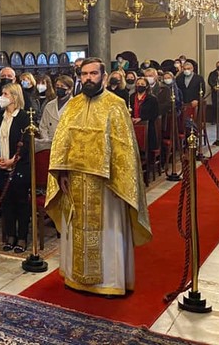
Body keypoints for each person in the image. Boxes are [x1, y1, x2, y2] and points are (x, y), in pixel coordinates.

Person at [45, 57, 152, 296]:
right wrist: (61, 172)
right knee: (76, 229)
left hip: (107, 183)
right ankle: (75, 277)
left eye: (93, 74)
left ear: (103, 77)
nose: (88, 78)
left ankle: (109, 283)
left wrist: (117, 178)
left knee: (108, 230)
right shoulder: (73, 105)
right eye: (84, 74)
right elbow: (62, 142)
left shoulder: (116, 105)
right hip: (75, 181)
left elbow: (125, 149)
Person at [0, 83, 31, 253]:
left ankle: (22, 237)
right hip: (1, 166)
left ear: (14, 97)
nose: (2, 97)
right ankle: (10, 235)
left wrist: (13, 160)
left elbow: (26, 143)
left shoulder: (23, 117)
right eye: (2, 93)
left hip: (19, 167)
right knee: (6, 203)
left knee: (21, 202)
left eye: (6, 94)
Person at [35, 74, 73, 152]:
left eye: (62, 86)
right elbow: (43, 126)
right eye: (57, 86)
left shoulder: (75, 105)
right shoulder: (49, 105)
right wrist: (47, 141)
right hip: (50, 145)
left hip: (69, 145)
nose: (59, 88)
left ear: (69, 89)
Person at [129, 76, 160, 153]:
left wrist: (141, 118)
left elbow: (154, 114)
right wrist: (132, 117)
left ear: (146, 86)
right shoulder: (132, 97)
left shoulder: (152, 99)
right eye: (138, 84)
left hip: (148, 126)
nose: (140, 85)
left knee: (147, 149)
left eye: (142, 84)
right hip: (133, 125)